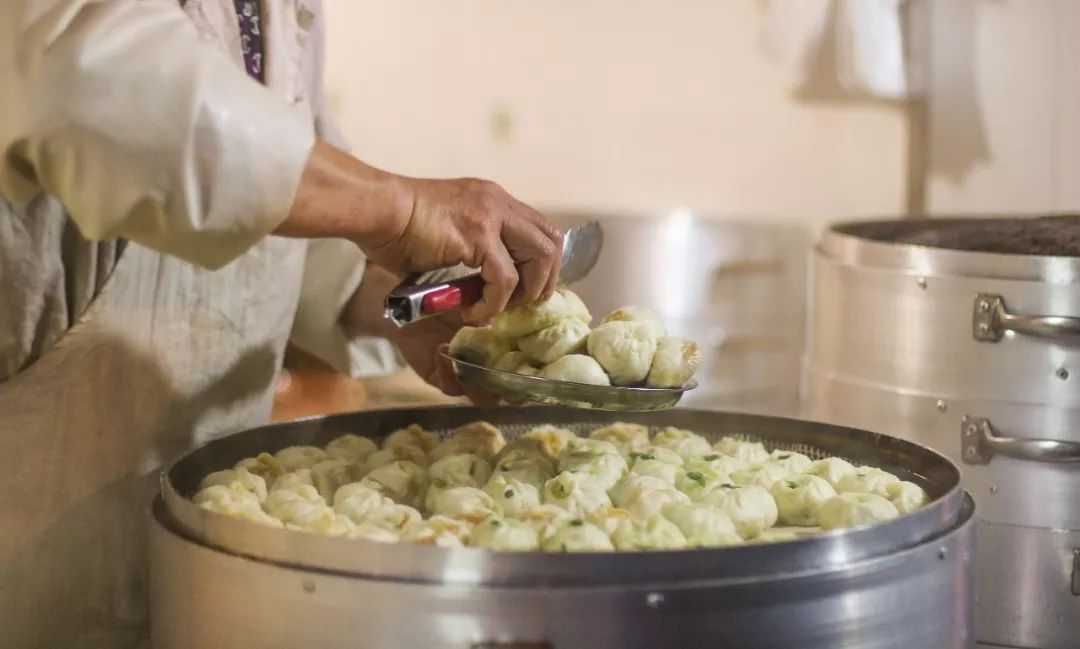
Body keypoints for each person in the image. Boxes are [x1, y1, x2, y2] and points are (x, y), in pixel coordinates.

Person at [0, 1, 563, 646]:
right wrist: (403, 208)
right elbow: (101, 86)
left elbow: (281, 171)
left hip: (211, 546)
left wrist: (392, 303)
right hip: (32, 538)